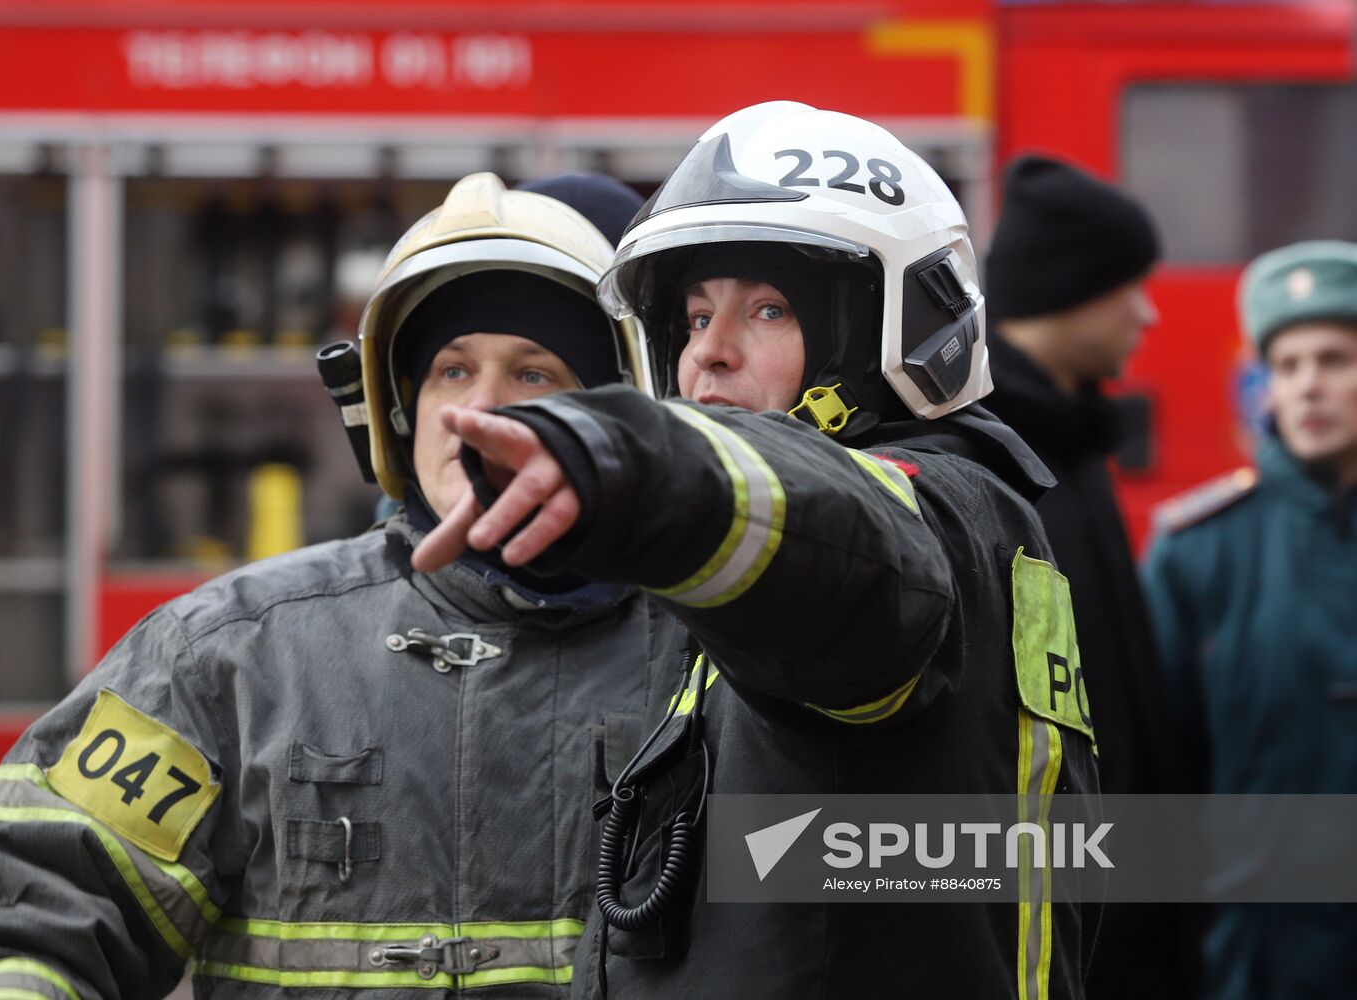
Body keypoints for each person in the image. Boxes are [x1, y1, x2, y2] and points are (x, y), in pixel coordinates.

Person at [412, 101, 1100, 999]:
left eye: (767, 311)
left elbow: (836, 536)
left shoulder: (924, 515)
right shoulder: (975, 516)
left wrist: (631, 466)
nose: (709, 357)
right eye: (694, 318)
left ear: (890, 333)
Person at [0, 172, 683, 998]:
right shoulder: (230, 657)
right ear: (400, 409)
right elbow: (34, 904)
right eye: (452, 371)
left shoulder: (710, 660)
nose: (479, 411)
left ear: (617, 419)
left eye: (534, 375)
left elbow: (821, 909)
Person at [981, 155, 1196, 999]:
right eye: (1128, 286)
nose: (1146, 313)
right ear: (1069, 292)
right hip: (1069, 928)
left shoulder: (1071, 439)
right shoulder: (1001, 467)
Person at [1141, 240, 1357, 999]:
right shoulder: (1197, 549)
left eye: (1334, 359)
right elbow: (1158, 770)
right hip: (1254, 956)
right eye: (1289, 366)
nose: (1309, 387)